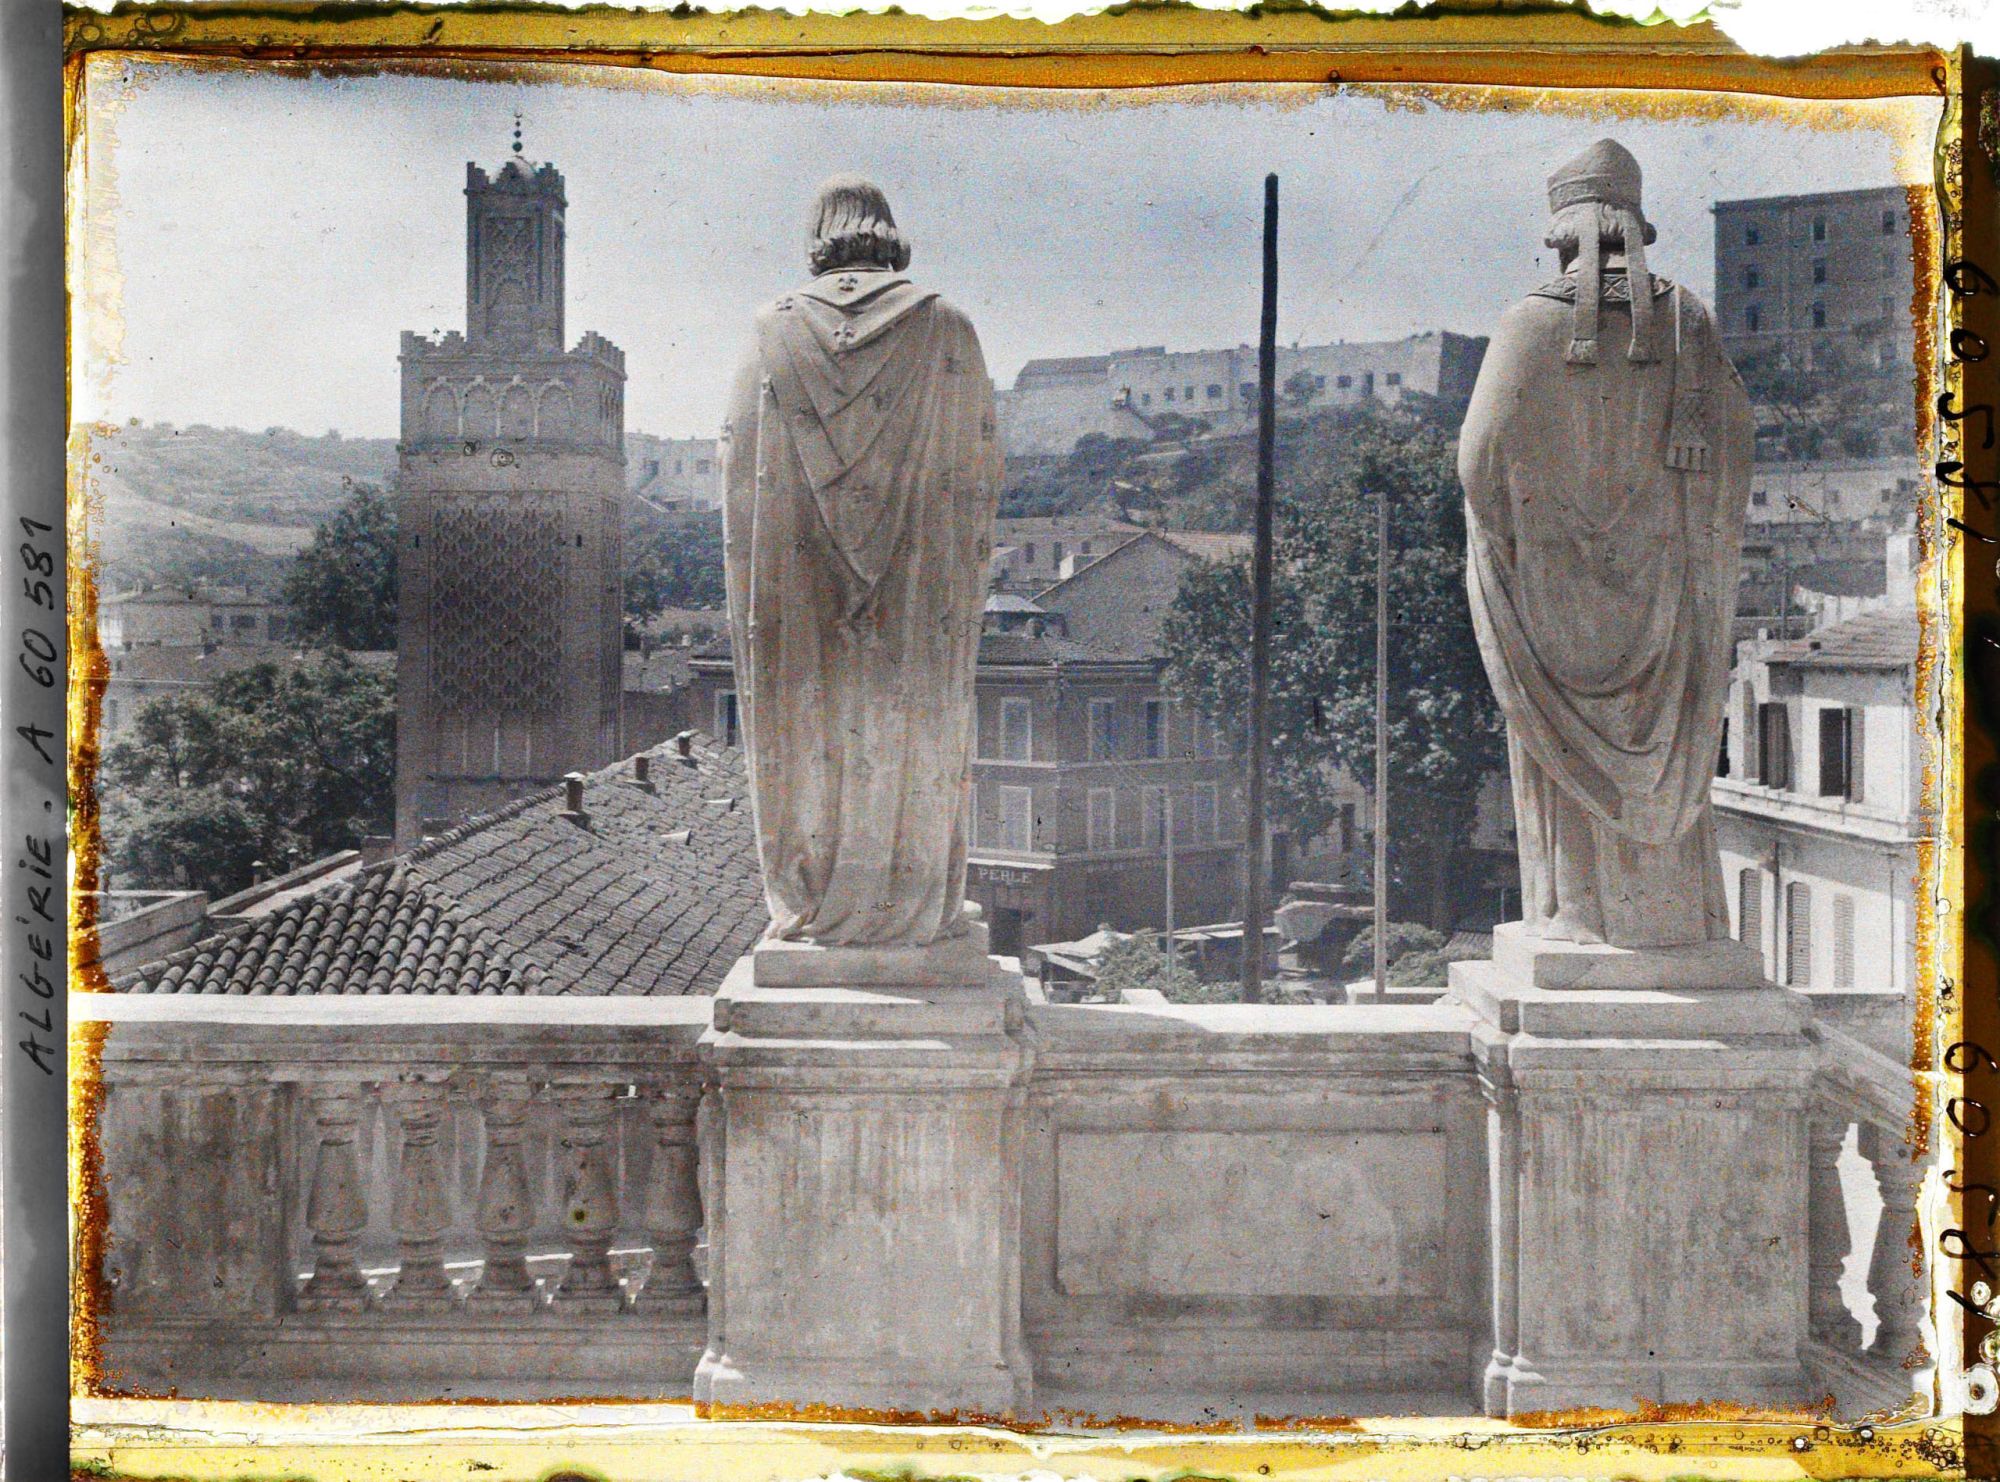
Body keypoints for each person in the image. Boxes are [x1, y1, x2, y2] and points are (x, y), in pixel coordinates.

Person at [1459, 139, 1754, 948]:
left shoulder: (1529, 323)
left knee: (1563, 775)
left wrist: (1534, 536)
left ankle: (1576, 918)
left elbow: (1478, 460)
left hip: (1556, 601)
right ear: (1633, 220)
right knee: (1659, 763)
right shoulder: (1689, 323)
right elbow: (1735, 446)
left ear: (1564, 231)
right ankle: (1666, 924)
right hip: (1662, 601)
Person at [720, 176, 1000, 948]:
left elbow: (744, 491)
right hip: (914, 595)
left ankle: (814, 903)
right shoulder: (948, 328)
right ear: (889, 234)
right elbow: (979, 481)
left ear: (821, 237)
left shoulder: (768, 334)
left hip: (801, 593)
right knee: (911, 728)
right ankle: (908, 903)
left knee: (812, 730)